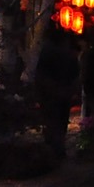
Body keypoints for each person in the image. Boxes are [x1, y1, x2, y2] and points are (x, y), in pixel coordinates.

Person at [33, 25, 80, 155]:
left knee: (52, 121)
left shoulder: (46, 51)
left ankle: (53, 147)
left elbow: (40, 74)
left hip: (51, 93)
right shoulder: (66, 53)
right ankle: (57, 147)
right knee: (59, 120)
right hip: (60, 92)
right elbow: (75, 74)